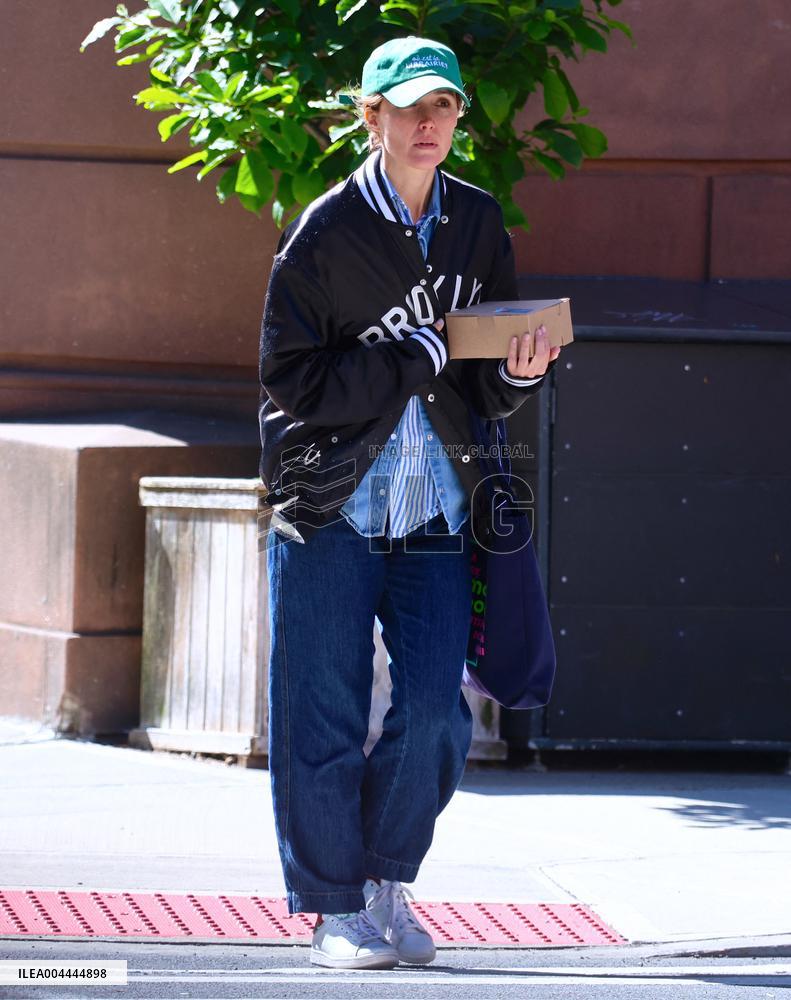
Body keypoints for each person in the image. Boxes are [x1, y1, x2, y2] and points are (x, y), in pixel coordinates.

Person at [258, 35, 561, 970]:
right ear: (371, 116)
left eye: (444, 107)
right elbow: (290, 378)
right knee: (322, 708)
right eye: (409, 106)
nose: (428, 123)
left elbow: (479, 374)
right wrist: (412, 357)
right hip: (330, 501)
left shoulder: (476, 221)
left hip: (437, 504)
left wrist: (518, 372)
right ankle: (332, 911)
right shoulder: (325, 228)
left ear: (458, 120)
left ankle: (388, 879)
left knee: (435, 711)